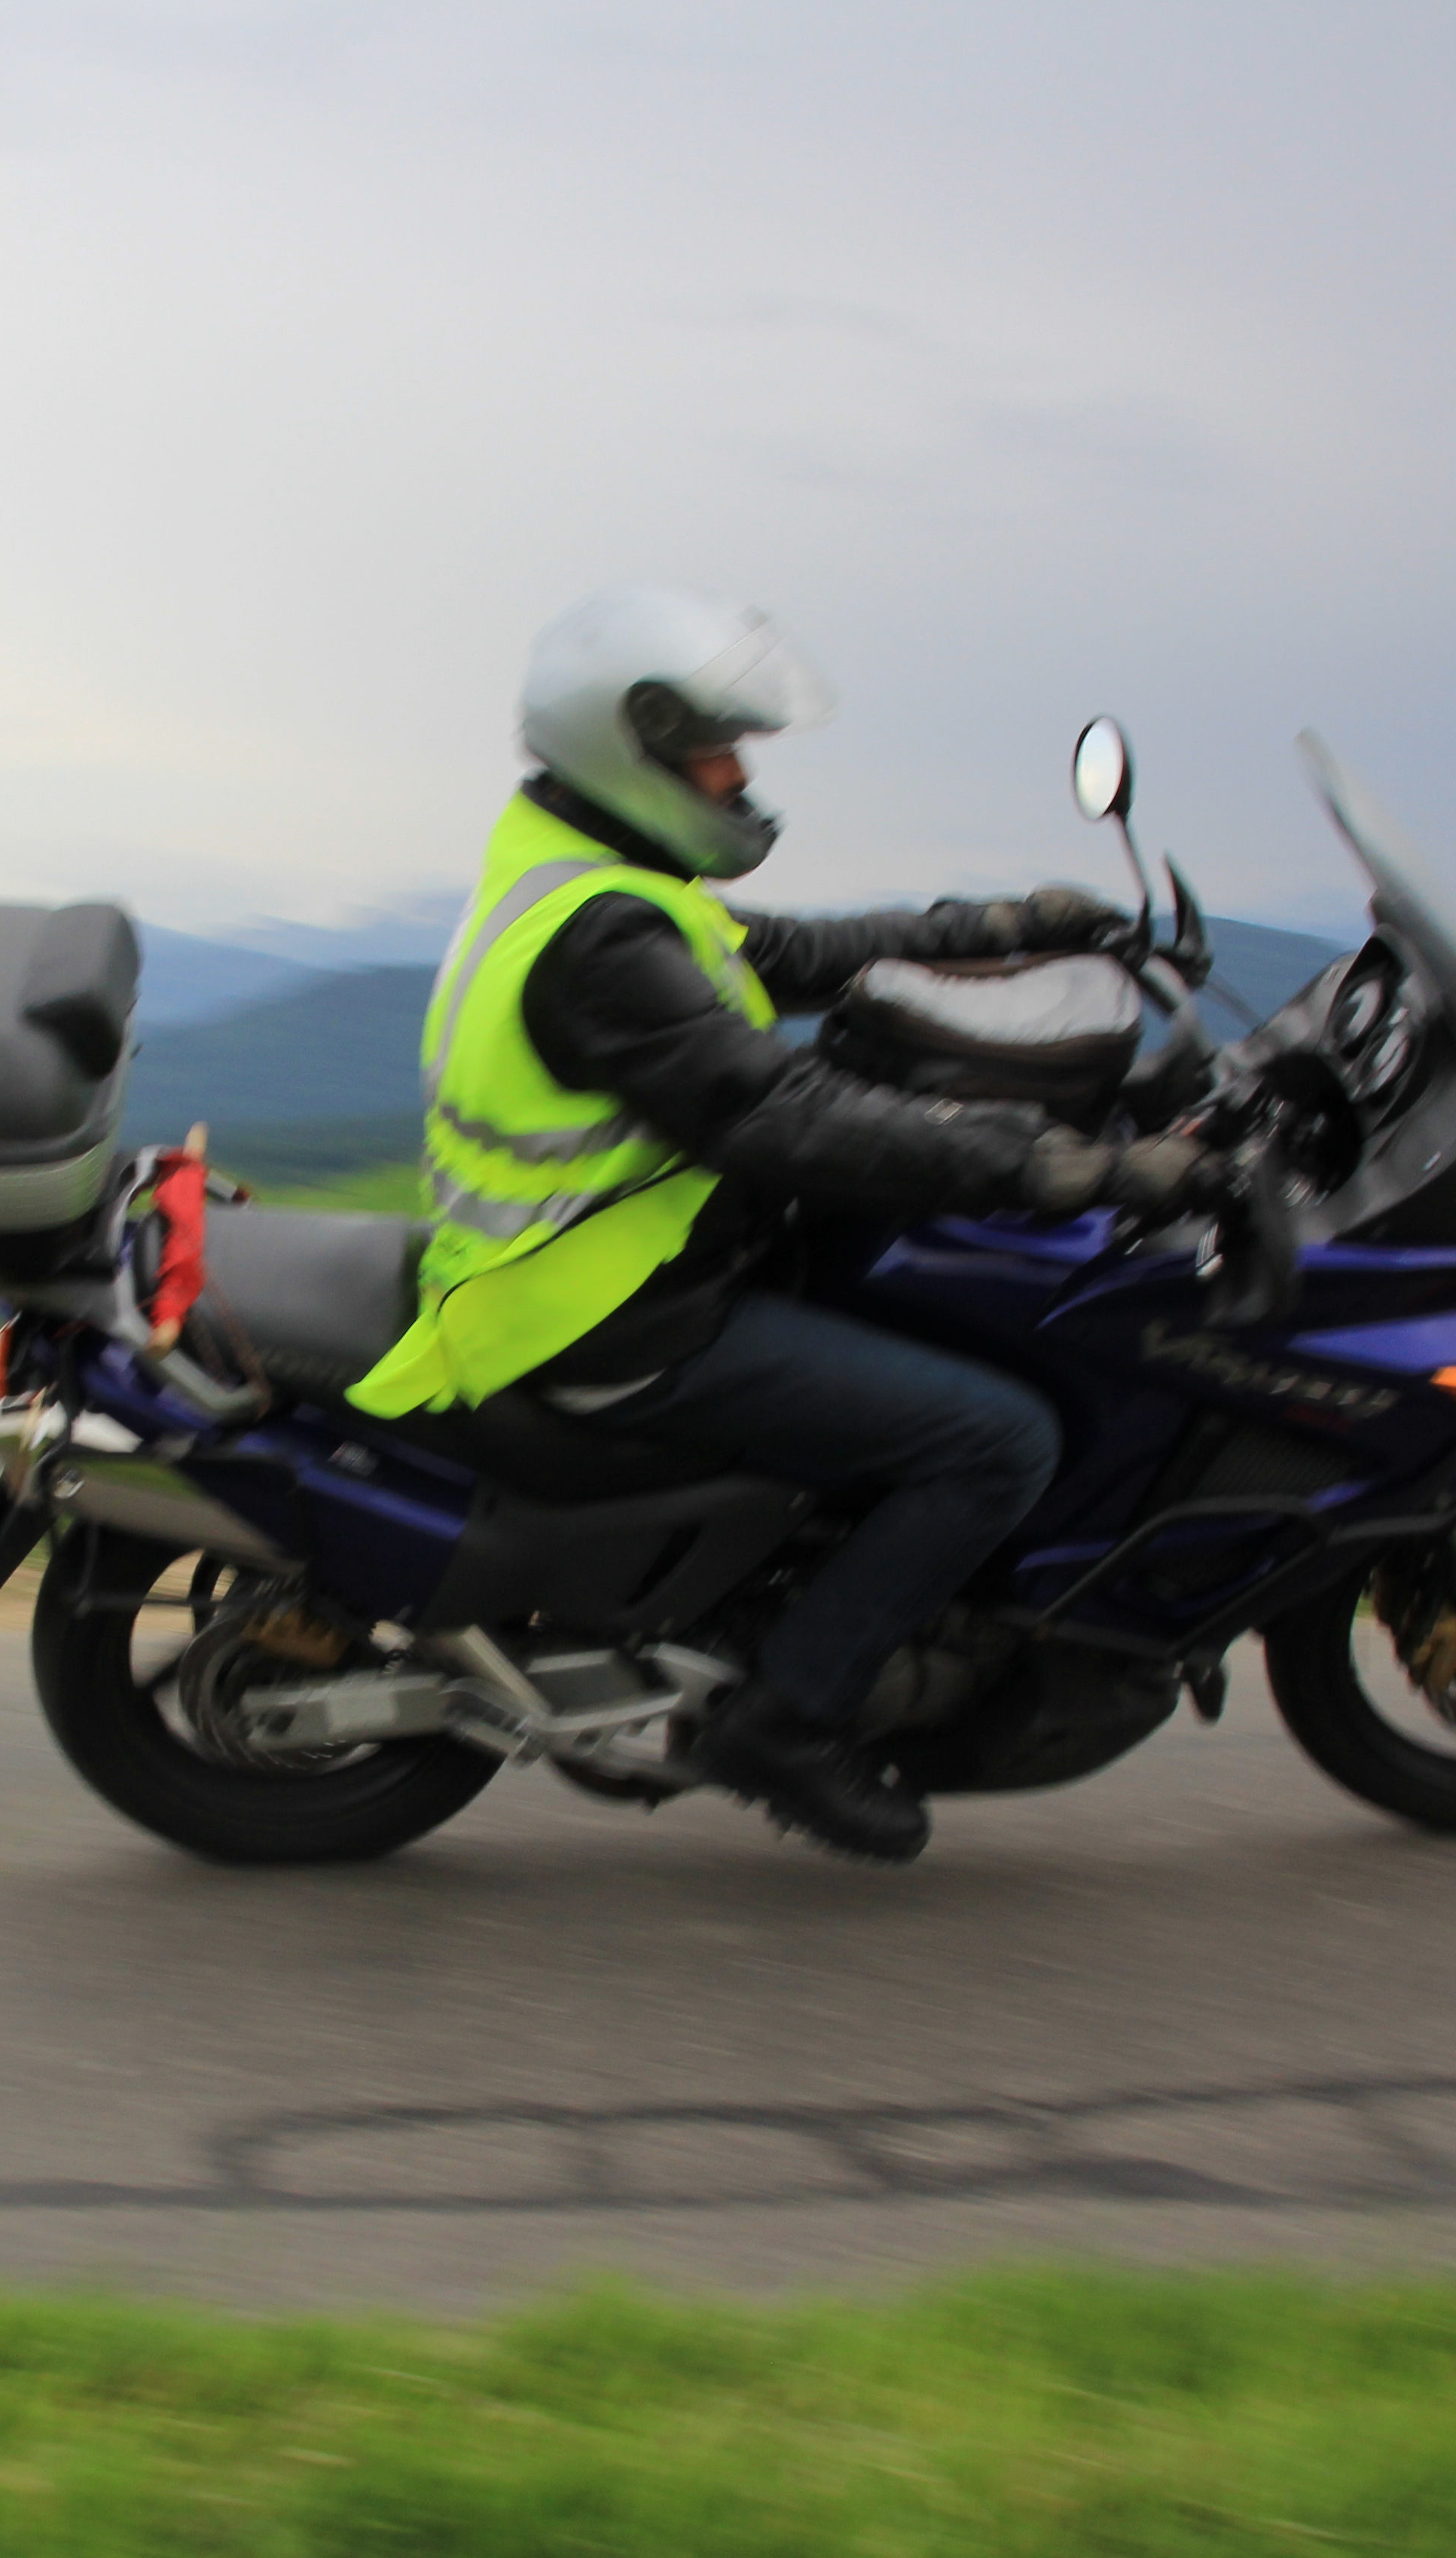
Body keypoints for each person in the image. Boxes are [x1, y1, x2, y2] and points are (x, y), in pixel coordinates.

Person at [343, 585, 1226, 1863]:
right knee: (998, 1441)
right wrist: (1064, 1170)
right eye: (718, 747)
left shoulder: (590, 876)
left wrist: (996, 928)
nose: (740, 773)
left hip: (626, 1271)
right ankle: (789, 1717)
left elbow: (794, 954)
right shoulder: (599, 943)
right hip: (612, 1316)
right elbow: (782, 1117)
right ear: (633, 749)